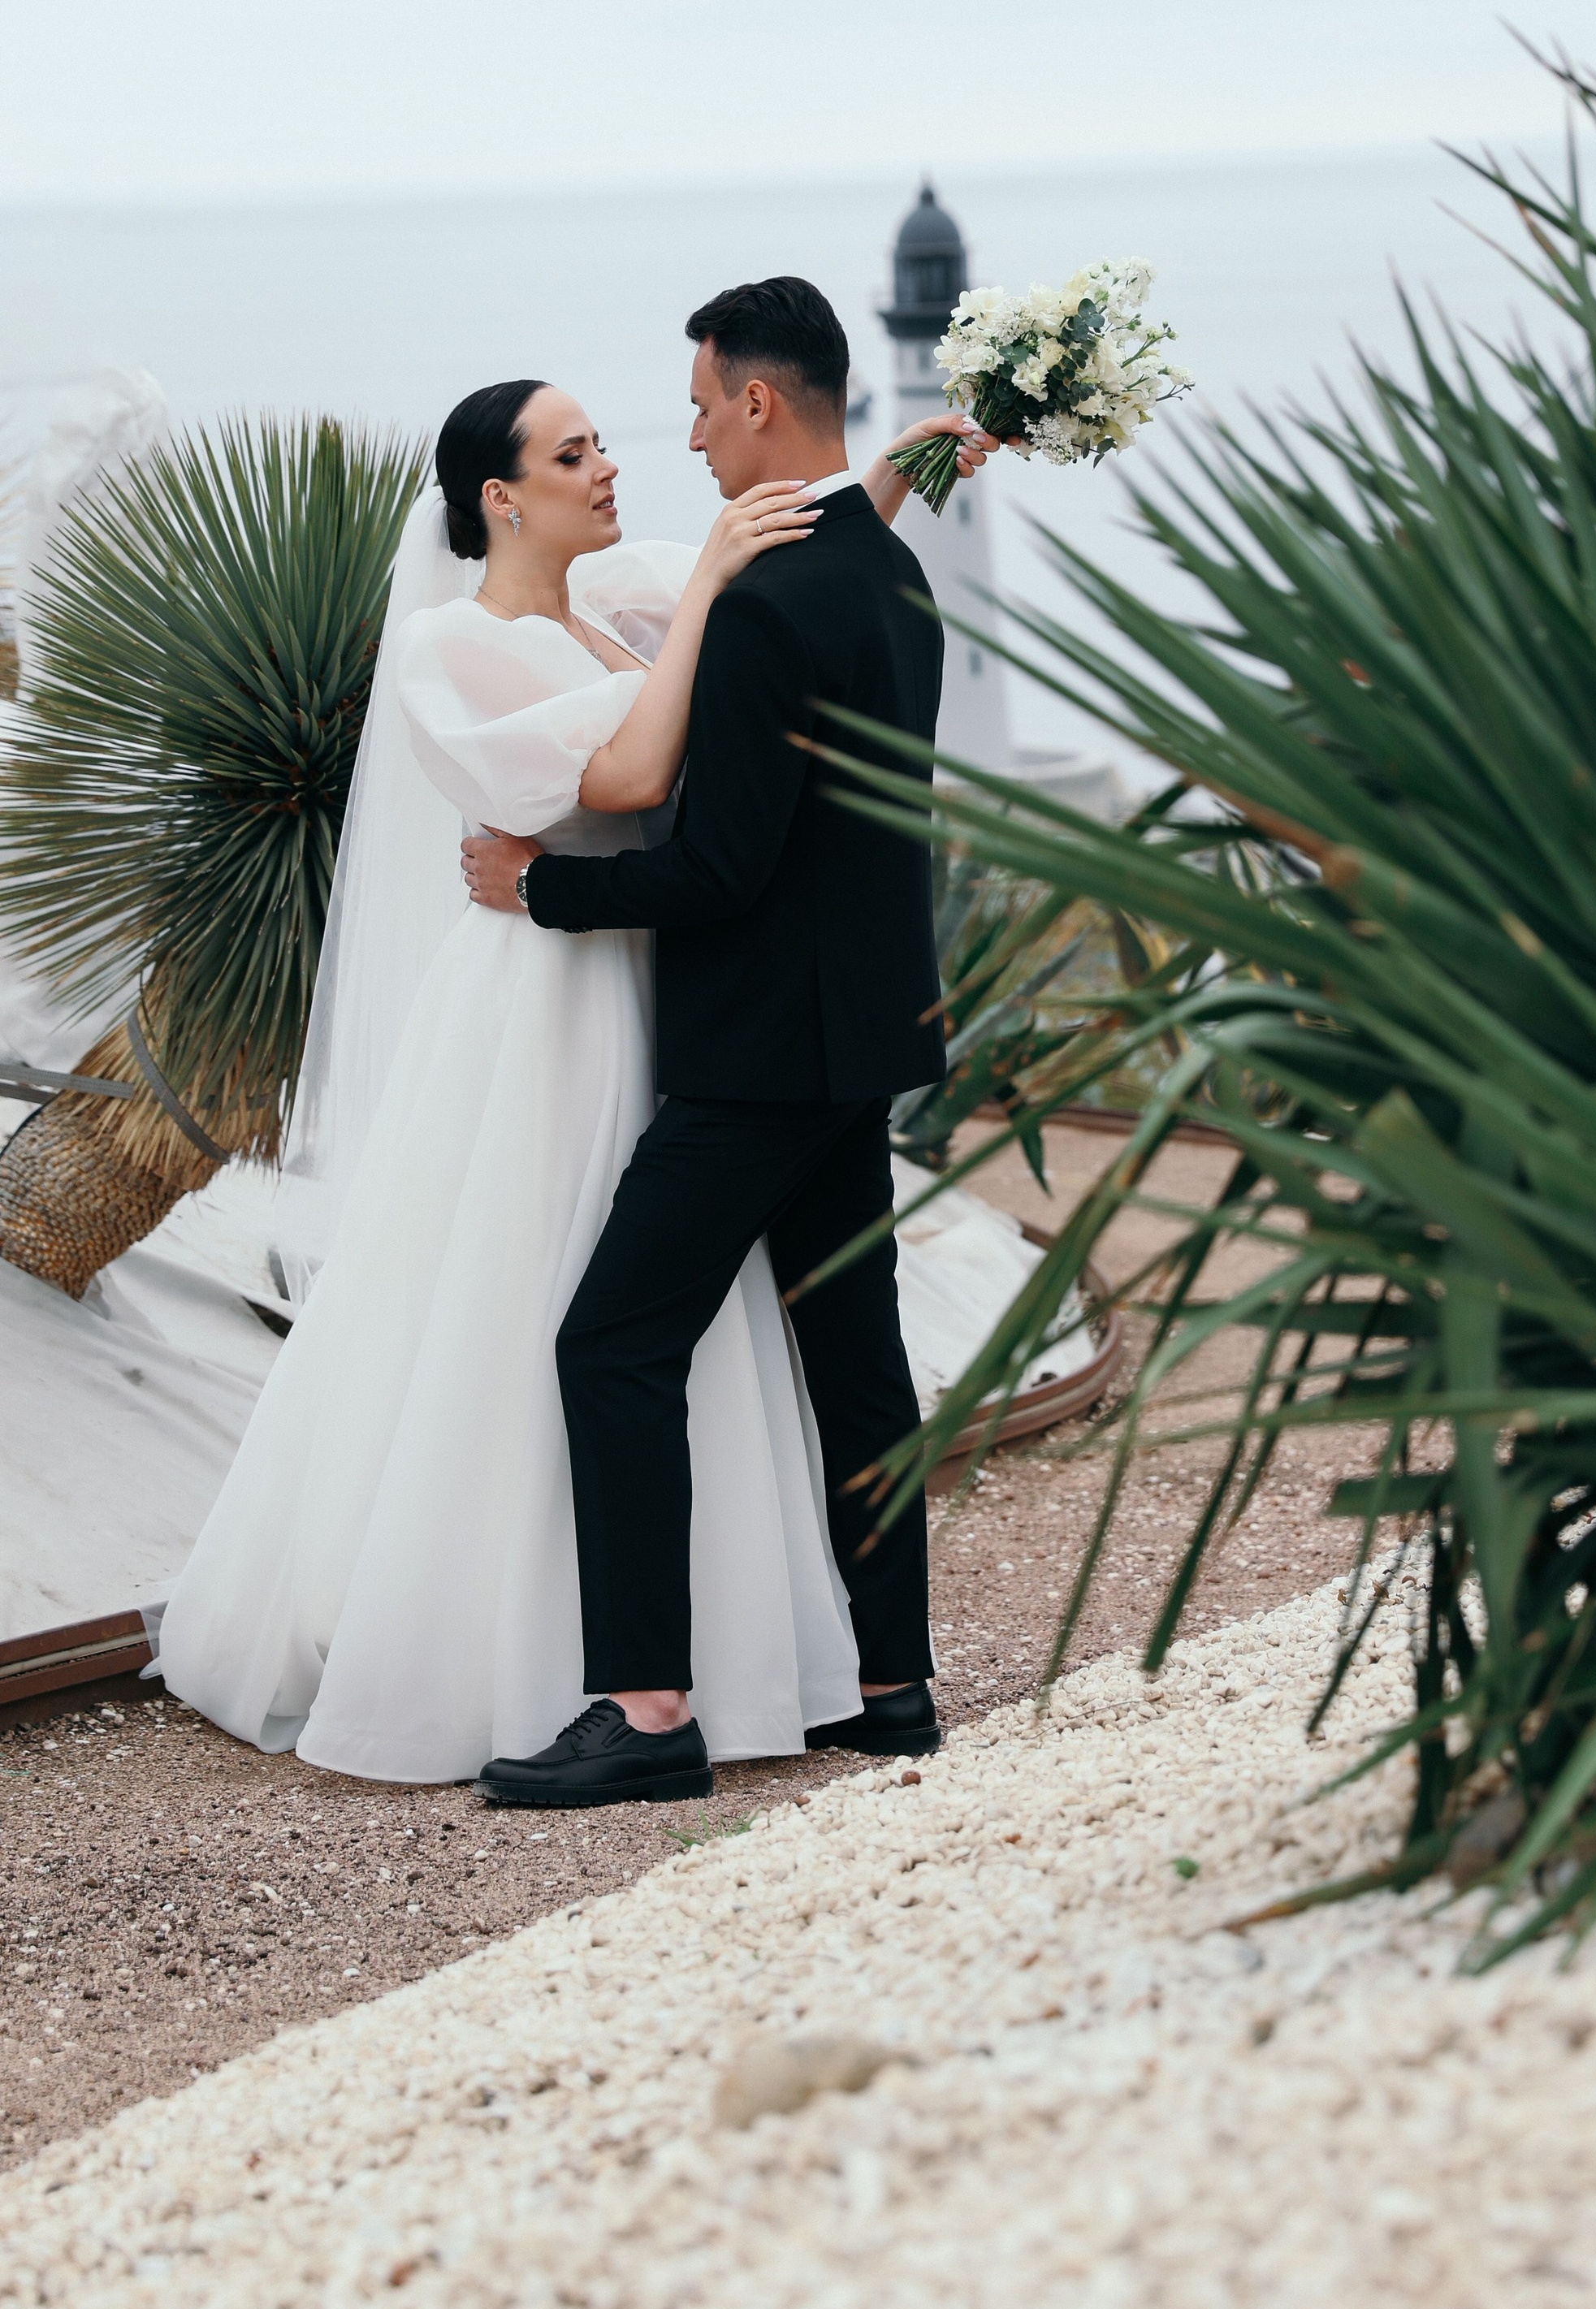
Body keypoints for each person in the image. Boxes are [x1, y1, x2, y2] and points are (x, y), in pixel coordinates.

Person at [157, 354, 984, 1792]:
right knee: (529, 1306)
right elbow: (629, 779)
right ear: (499, 498)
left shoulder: (615, 603)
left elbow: (802, 564)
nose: (614, 467)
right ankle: (587, 1664)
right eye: (575, 455)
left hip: (672, 1002)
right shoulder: (454, 649)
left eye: (608, 442)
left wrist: (890, 473)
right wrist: (717, 588)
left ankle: (720, 1691)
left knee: (713, 1338)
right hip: (545, 1012)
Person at [461, 277, 972, 1809]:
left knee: (612, 1343)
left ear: (760, 401)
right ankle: (893, 1689)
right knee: (857, 1360)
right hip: (864, 1037)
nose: (683, 437)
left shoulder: (760, 602)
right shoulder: (886, 573)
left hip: (753, 1054)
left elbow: (723, 867)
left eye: (696, 404)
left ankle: (648, 1708)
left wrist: (545, 886)